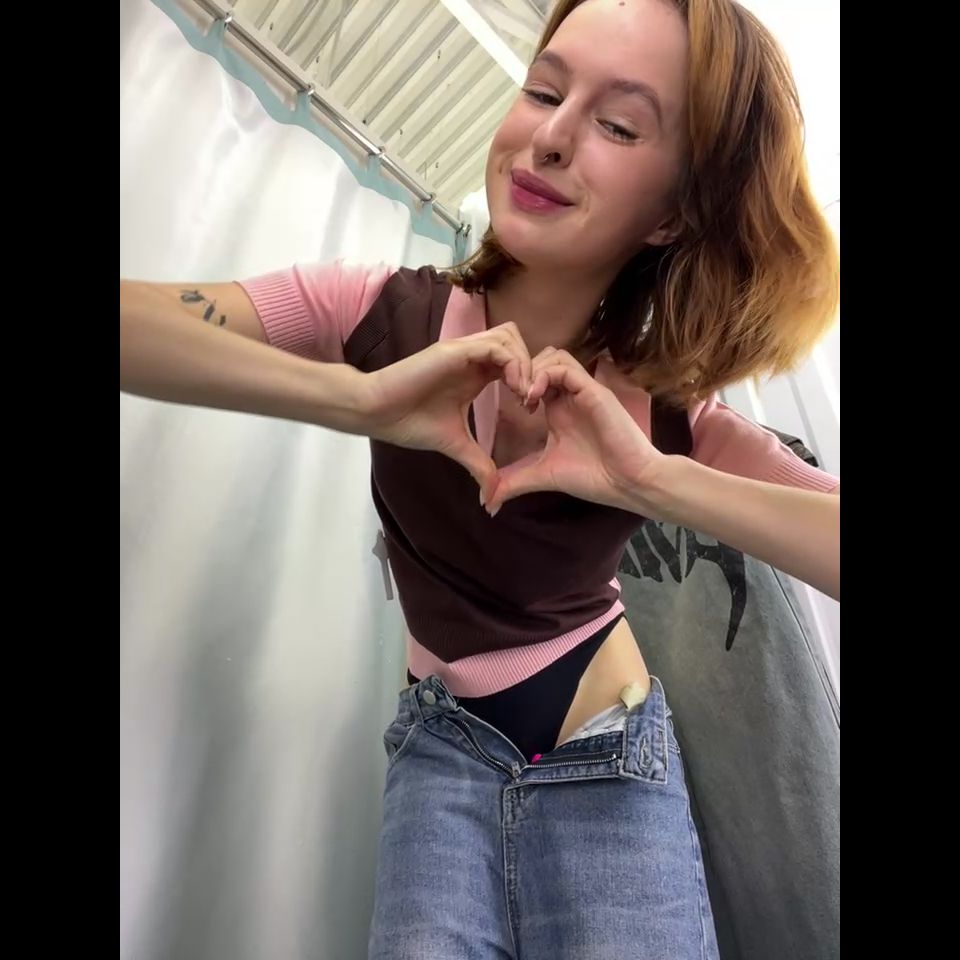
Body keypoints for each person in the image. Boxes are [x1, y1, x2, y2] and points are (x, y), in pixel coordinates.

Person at [120, 0, 839, 955]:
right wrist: (356, 400)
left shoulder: (674, 415)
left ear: (674, 214)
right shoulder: (373, 310)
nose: (551, 136)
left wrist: (654, 481)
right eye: (543, 91)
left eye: (619, 124)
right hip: (440, 755)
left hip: (611, 759)